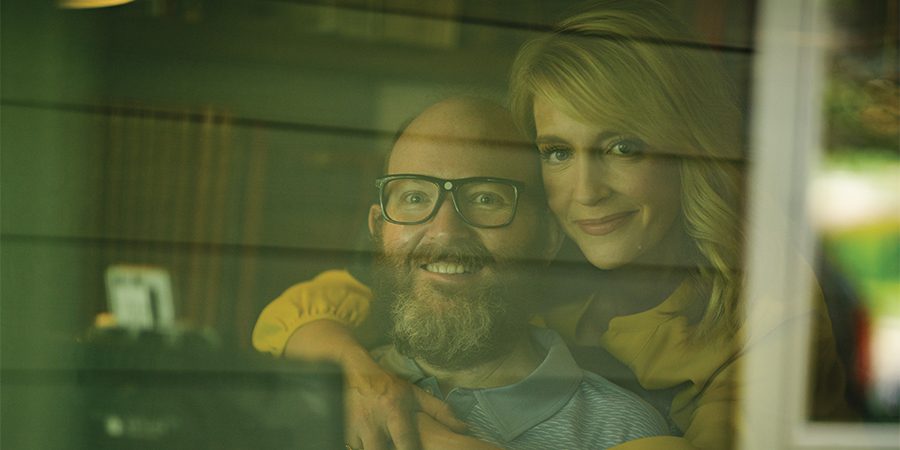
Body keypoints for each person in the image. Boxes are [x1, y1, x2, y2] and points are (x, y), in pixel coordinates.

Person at [253, 2, 849, 449]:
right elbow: (310, 307)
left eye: (622, 147)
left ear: (688, 150)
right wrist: (358, 371)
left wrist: (425, 432)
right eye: (558, 153)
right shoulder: (534, 268)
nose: (586, 193)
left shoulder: (771, 316)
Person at [256, 97, 669, 449]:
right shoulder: (297, 397)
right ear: (378, 227)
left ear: (548, 238)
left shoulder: (623, 433)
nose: (445, 231)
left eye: (486, 198)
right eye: (415, 197)